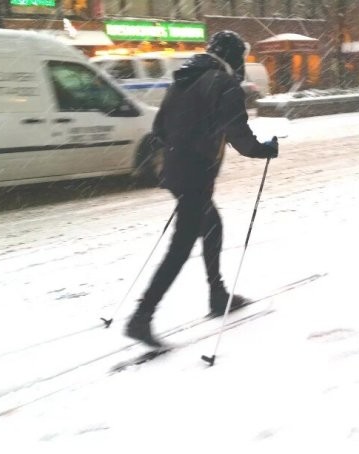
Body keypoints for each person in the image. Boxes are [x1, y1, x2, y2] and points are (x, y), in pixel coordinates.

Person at [125, 31, 279, 347]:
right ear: (233, 57)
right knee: (180, 247)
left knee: (212, 227)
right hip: (194, 174)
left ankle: (217, 293)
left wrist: (182, 149)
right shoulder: (223, 85)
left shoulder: (184, 79)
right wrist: (265, 149)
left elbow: (160, 128)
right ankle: (142, 317)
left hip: (174, 170)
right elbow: (238, 135)